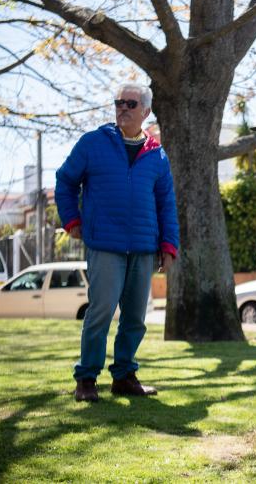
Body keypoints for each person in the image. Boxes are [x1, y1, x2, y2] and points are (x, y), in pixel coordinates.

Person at [56, 83, 179, 402]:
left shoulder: (157, 154)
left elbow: (166, 203)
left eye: (131, 103)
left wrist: (168, 245)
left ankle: (124, 375)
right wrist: (72, 220)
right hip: (104, 245)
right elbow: (65, 182)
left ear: (146, 111)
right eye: (119, 102)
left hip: (143, 248)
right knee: (100, 312)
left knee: (136, 318)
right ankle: (86, 379)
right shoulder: (93, 143)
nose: (123, 107)